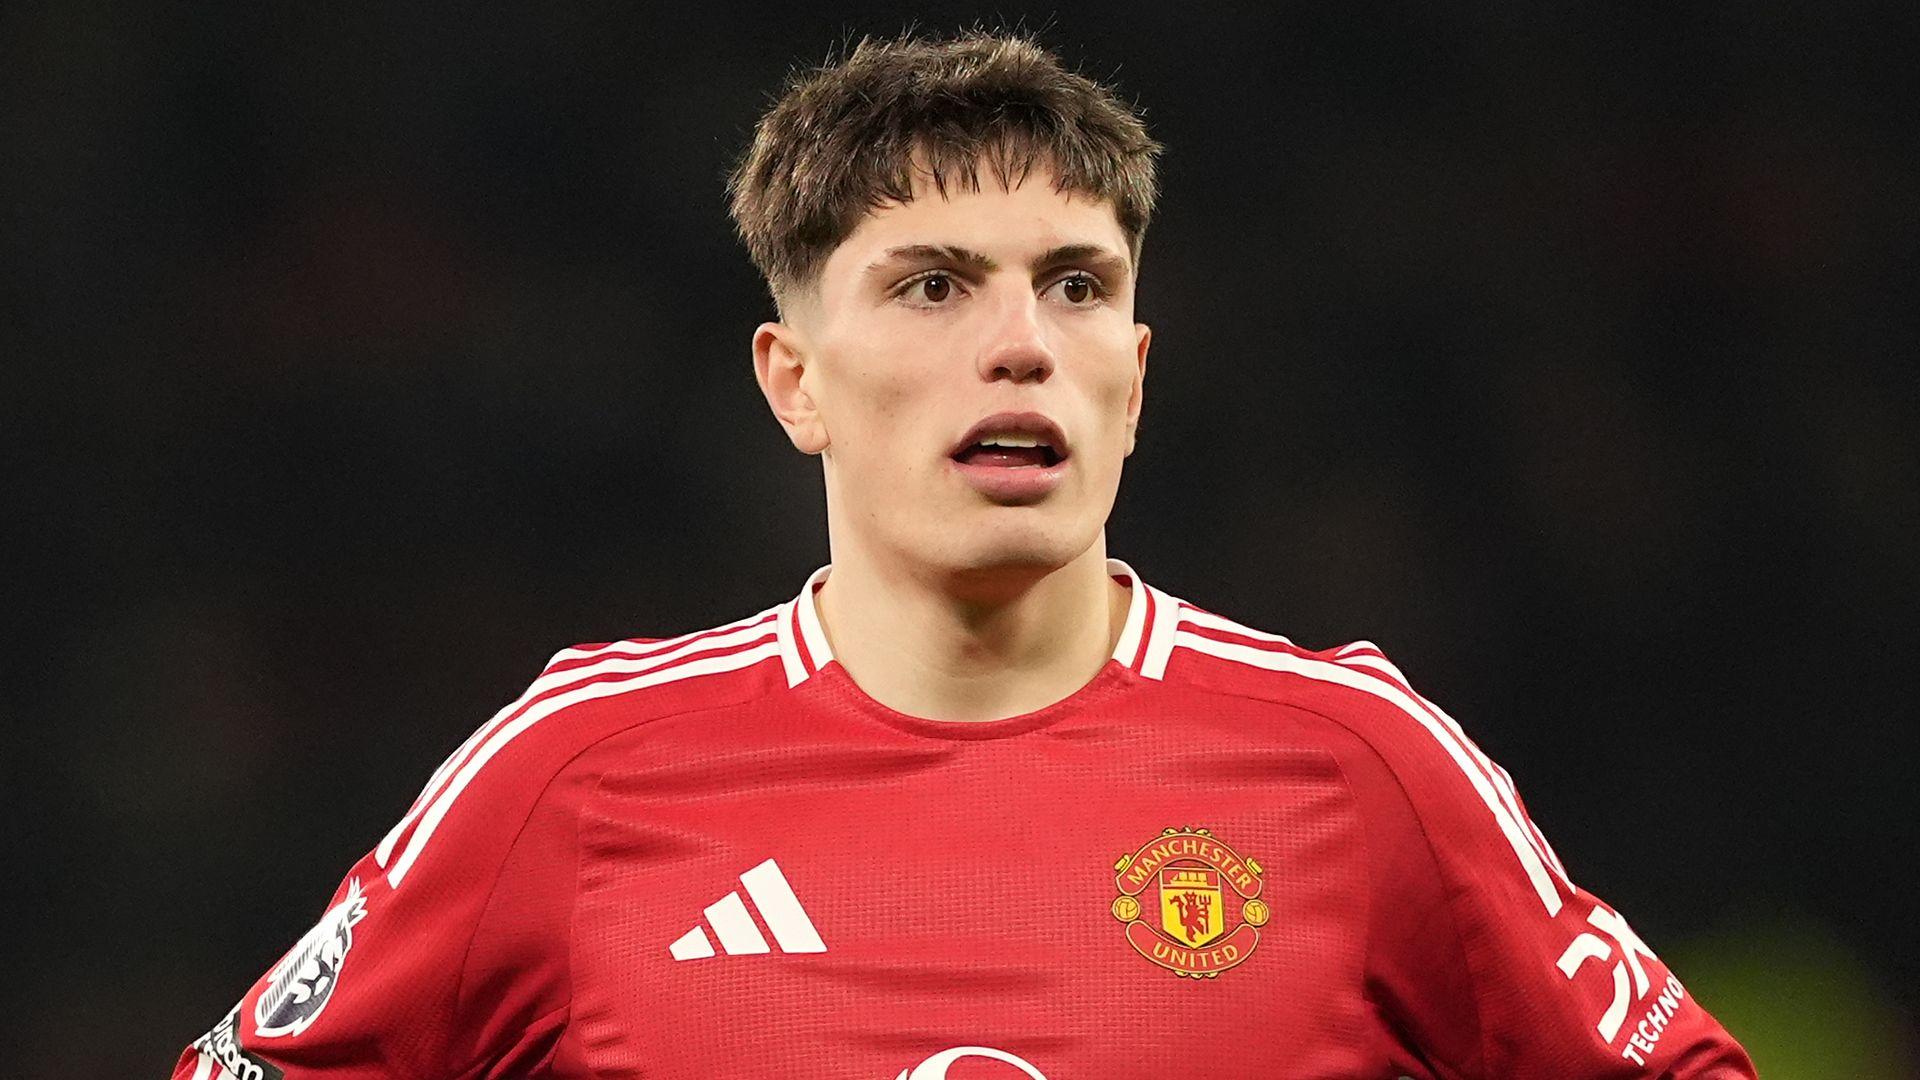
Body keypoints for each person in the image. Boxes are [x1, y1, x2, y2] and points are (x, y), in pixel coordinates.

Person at [173, 30, 1756, 1080]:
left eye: (1076, 286)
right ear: (794, 381)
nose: (1021, 344)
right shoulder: (575, 773)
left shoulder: (1357, 764)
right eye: (933, 287)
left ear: (1134, 377)